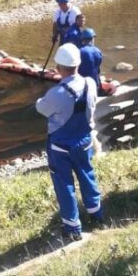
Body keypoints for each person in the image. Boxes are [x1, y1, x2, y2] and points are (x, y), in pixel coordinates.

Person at [36, 43, 103, 241]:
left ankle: (73, 228)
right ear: (78, 64)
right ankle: (96, 213)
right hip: (84, 141)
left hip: (60, 146)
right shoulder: (90, 83)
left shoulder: (56, 93)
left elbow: (41, 108)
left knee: (64, 184)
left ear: (58, 68)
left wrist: (42, 99)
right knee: (87, 174)